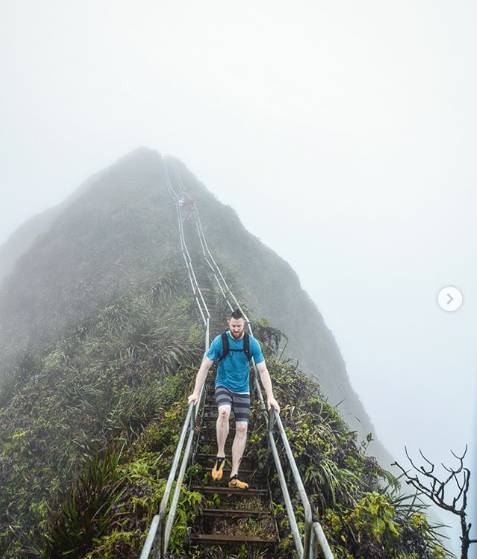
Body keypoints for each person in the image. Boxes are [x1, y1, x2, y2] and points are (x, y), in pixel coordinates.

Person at [188, 309, 280, 489]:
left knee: (242, 427)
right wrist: (196, 393)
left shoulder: (251, 343)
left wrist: (270, 396)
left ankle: (234, 475)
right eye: (233, 326)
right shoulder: (220, 341)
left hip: (242, 390)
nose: (236, 329)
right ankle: (220, 455)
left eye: (239, 326)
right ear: (228, 323)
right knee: (223, 412)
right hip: (223, 384)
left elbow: (262, 370)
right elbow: (205, 367)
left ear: (244, 324)